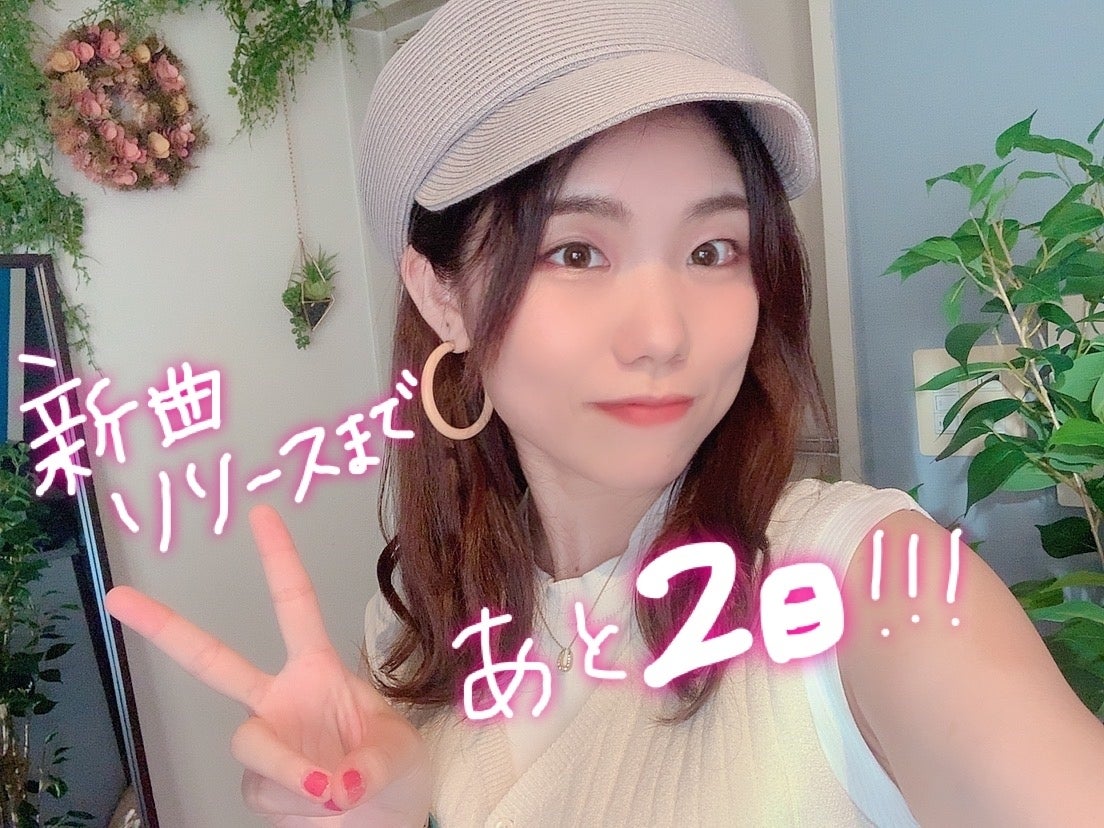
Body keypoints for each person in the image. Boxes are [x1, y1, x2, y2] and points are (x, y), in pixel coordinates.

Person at [106, 0, 1104, 825]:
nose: (663, 333)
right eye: (576, 252)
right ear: (442, 295)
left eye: (713, 250)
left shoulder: (872, 588)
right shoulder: (413, 632)